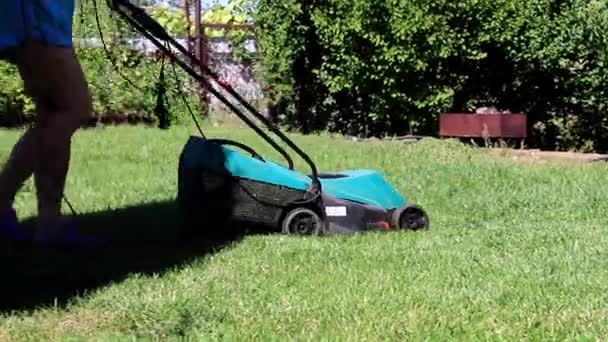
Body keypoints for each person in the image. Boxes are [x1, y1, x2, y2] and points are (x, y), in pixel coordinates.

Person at [0, 0, 103, 247]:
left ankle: (48, 222)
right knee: (72, 108)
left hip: (37, 17)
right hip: (37, 16)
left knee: (52, 113)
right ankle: (9, 205)